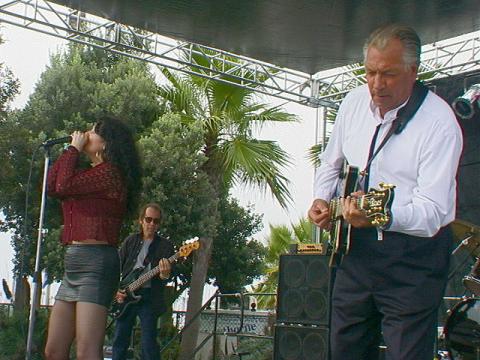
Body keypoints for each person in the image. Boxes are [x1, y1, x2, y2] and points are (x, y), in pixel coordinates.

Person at [308, 24, 463, 360]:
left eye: (389, 74)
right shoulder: (352, 103)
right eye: (370, 72)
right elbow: (330, 163)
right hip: (355, 253)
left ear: (413, 70)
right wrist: (321, 198)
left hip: (413, 259)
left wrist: (382, 215)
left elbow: (433, 213)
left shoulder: (440, 122)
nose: (376, 84)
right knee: (343, 351)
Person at [45, 115, 142, 360]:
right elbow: (53, 187)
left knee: (87, 351)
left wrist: (72, 150)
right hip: (73, 262)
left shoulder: (110, 174)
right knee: (53, 350)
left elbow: (64, 186)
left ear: (106, 143)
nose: (87, 133)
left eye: (94, 131)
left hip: (96, 263)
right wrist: (69, 152)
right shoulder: (90, 175)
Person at [112, 203, 174, 360]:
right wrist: (115, 289)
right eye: (148, 219)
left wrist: (165, 274)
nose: (152, 224)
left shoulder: (165, 246)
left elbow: (167, 277)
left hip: (149, 297)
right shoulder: (130, 241)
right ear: (141, 220)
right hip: (126, 296)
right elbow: (115, 266)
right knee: (120, 340)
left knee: (149, 343)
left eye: (156, 221)